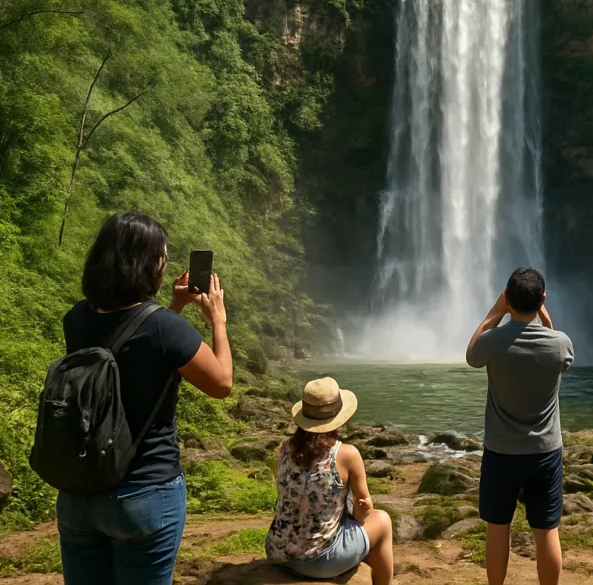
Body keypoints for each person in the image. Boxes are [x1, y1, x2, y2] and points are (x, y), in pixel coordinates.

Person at [56, 213, 235, 585]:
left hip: (79, 493)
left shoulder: (76, 319)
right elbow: (221, 383)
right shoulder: (165, 329)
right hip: (144, 493)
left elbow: (133, 346)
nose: (165, 262)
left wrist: (174, 306)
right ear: (148, 264)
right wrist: (217, 319)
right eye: (162, 256)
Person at [465, 267, 574, 585]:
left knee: (498, 528)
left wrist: (495, 312)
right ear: (542, 299)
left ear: (508, 299)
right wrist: (542, 312)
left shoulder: (493, 342)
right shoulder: (559, 344)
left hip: (501, 451)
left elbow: (472, 355)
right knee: (546, 531)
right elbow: (554, 340)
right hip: (544, 452)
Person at [266, 377, 394, 584]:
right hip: (319, 562)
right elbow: (362, 515)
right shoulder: (346, 454)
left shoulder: (284, 448)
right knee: (383, 521)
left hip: (277, 551)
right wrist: (365, 507)